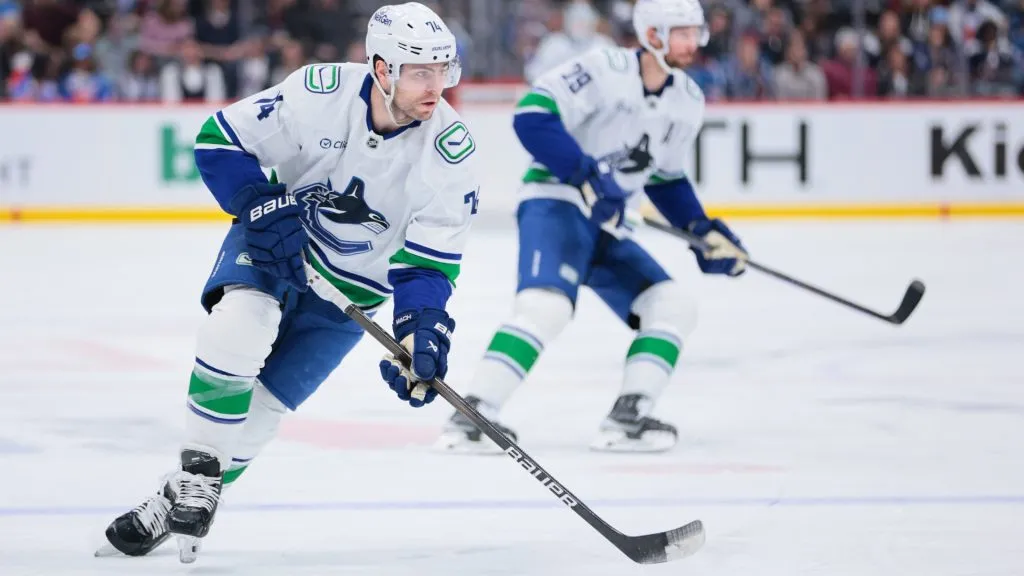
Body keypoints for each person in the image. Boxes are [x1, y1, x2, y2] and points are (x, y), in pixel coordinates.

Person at [98, 2, 478, 563]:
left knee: (265, 409)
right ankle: (202, 471)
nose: (436, 86)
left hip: (353, 294)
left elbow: (428, 265)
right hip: (277, 248)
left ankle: (178, 496)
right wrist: (255, 203)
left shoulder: (451, 151)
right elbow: (219, 140)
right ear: (381, 69)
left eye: (444, 70)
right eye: (421, 71)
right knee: (239, 326)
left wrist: (423, 332)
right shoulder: (321, 92)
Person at [436, 0, 747, 454]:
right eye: (682, 32)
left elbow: (666, 179)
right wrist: (584, 174)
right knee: (546, 307)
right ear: (654, 34)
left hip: (607, 221)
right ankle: (472, 414)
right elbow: (532, 116)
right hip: (555, 202)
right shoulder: (604, 68)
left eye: (694, 32)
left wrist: (702, 229)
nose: (692, 42)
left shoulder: (687, 100)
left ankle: (628, 417)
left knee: (673, 306)